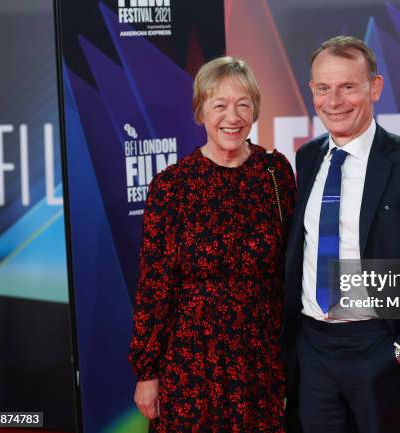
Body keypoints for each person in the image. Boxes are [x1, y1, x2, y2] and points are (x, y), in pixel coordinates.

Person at [283, 36, 400, 433]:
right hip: (313, 351)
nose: (334, 101)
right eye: (323, 88)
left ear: (374, 88)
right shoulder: (307, 158)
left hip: (379, 347)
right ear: (311, 91)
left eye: (348, 86)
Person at [128, 56, 296, 433]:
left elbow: (291, 266)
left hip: (261, 361)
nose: (231, 117)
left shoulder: (275, 172)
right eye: (219, 105)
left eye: (243, 104)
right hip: (192, 364)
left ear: (255, 110)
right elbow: (154, 287)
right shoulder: (172, 186)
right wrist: (147, 371)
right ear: (201, 111)